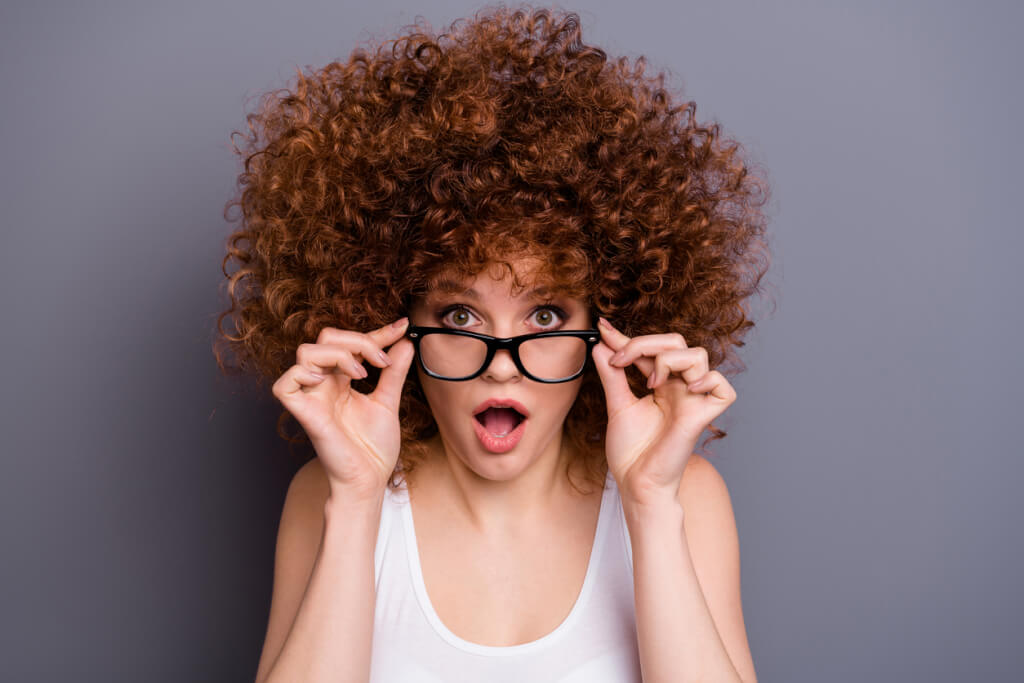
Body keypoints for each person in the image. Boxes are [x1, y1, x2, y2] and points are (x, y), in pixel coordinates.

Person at [214, 5, 770, 682]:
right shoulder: (332, 496)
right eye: (459, 317)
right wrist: (357, 499)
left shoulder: (684, 496)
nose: (502, 370)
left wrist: (650, 504)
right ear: (393, 320)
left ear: (606, 325)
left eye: (542, 316)